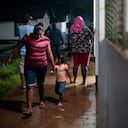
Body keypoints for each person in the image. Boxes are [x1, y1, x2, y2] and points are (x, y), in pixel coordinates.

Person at [5, 23, 55, 116]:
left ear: (43, 33)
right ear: (33, 32)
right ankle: (29, 108)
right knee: (30, 86)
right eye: (37, 34)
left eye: (41, 34)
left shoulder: (46, 40)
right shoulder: (26, 39)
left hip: (42, 66)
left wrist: (53, 64)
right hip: (29, 67)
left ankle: (41, 100)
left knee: (41, 84)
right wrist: (10, 57)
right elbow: (17, 48)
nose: (39, 36)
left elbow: (49, 53)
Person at [69, 16, 93, 86]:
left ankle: (75, 79)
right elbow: (91, 37)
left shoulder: (72, 28)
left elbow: (70, 38)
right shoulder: (86, 29)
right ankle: (84, 81)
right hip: (85, 50)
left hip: (75, 50)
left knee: (75, 65)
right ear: (82, 22)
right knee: (84, 66)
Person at [18, 14, 34, 89]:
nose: (30, 21)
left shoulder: (19, 28)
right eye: (30, 19)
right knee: (32, 66)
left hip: (22, 50)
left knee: (22, 67)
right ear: (28, 20)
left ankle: (23, 84)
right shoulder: (32, 28)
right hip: (31, 50)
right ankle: (33, 82)